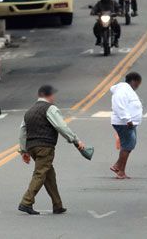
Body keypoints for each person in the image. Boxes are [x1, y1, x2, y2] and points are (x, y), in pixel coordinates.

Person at [18, 85, 85, 215]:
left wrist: (23, 151)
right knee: (40, 173)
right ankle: (26, 202)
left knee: (49, 175)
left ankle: (57, 205)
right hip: (45, 146)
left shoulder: (29, 111)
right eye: (53, 94)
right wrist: (76, 140)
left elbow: (22, 131)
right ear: (48, 95)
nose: (54, 97)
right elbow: (61, 126)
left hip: (32, 147)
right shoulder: (50, 108)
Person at [110, 72, 143, 179]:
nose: (138, 86)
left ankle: (117, 166)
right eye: (138, 84)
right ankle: (120, 171)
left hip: (129, 123)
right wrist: (127, 119)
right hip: (124, 123)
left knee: (130, 145)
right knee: (127, 146)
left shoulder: (127, 90)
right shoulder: (123, 90)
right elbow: (119, 106)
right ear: (134, 81)